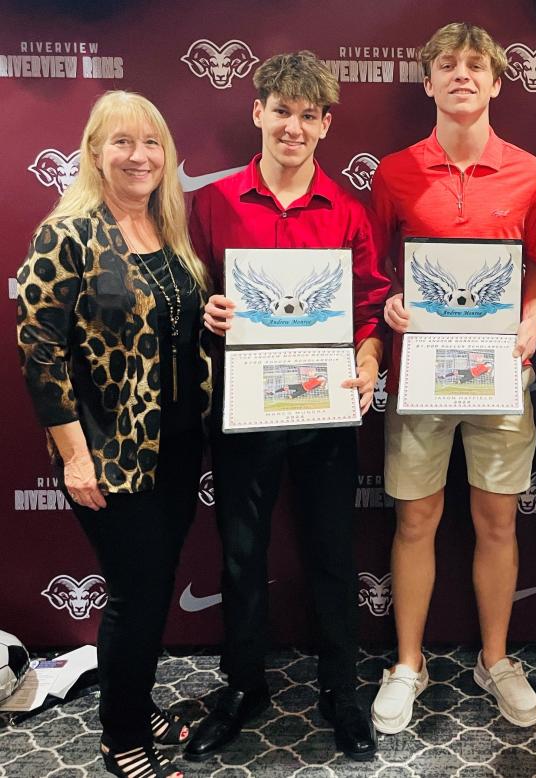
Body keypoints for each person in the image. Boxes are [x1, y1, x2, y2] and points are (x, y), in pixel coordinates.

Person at [186, 51, 390, 763]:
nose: (293, 127)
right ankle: (244, 686)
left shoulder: (349, 211)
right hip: (243, 412)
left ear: (326, 124)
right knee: (242, 558)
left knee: (333, 556)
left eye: (308, 116)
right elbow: (187, 298)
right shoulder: (210, 204)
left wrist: (367, 361)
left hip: (326, 414)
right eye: (282, 112)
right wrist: (205, 312)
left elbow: (369, 309)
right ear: (257, 113)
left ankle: (342, 689)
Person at [17, 90, 211, 778]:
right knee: (135, 591)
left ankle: (135, 699)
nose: (139, 156)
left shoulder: (169, 230)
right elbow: (39, 352)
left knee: (155, 584)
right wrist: (75, 457)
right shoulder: (66, 234)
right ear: (94, 151)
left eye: (151, 142)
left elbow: (170, 326)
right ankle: (121, 737)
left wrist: (208, 315)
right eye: (122, 142)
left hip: (180, 443)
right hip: (108, 453)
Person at [369, 22, 536, 734]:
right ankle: (408, 665)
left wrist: (535, 316)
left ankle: (495, 659)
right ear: (429, 81)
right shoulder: (394, 171)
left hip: (501, 375)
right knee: (416, 517)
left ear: (498, 82)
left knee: (497, 520)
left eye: (476, 66)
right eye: (448, 65)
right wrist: (387, 300)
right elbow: (372, 268)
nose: (462, 76)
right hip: (421, 376)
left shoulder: (531, 172)